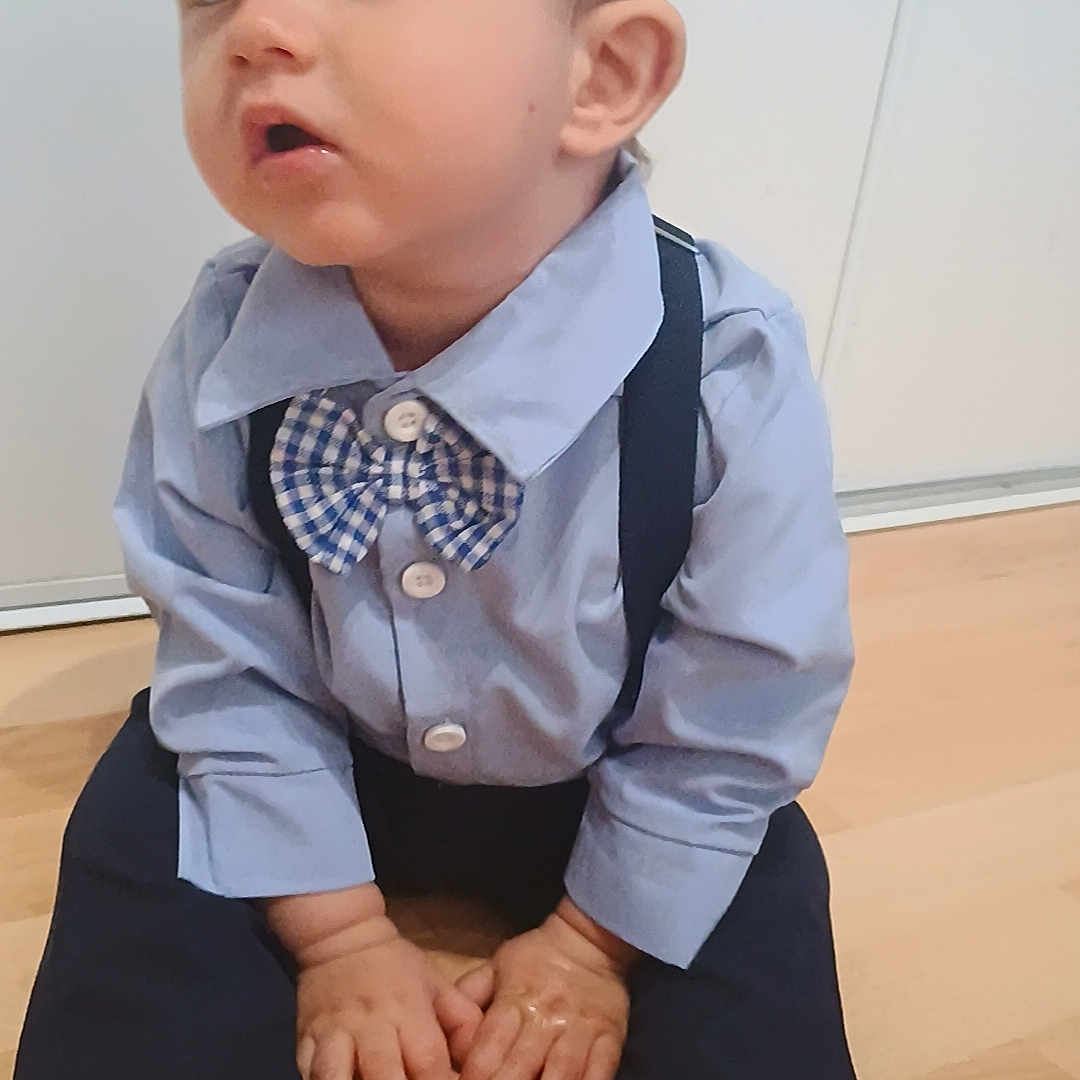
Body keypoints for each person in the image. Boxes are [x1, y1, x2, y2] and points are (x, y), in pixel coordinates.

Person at [15, 1, 858, 1078]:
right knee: (140, 822)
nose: (256, 30)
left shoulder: (723, 362)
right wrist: (340, 935)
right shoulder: (225, 336)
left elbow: (744, 692)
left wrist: (593, 947)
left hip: (620, 770)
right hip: (324, 746)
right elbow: (227, 644)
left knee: (758, 893)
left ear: (602, 73)